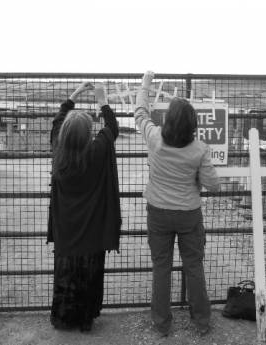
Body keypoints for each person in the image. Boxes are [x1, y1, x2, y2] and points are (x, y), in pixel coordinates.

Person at [134, 71, 221, 336]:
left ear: (169, 120)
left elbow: (140, 113)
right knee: (193, 266)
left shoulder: (155, 139)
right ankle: (201, 322)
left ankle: (161, 325)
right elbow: (213, 185)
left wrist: (145, 84)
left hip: (158, 212)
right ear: (193, 125)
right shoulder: (199, 149)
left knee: (161, 268)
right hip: (188, 215)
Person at [47, 82, 121, 332]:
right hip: (92, 230)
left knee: (65, 274)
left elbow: (57, 121)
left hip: (66, 229)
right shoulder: (98, 150)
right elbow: (112, 128)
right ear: (89, 132)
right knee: (90, 273)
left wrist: (74, 95)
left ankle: (63, 317)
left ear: (65, 133)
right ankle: (86, 319)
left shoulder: (59, 151)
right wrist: (102, 100)